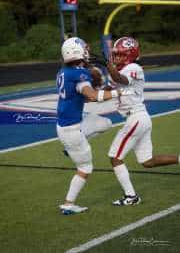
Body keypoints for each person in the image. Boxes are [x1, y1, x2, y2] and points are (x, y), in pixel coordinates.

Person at [106, 36, 180, 206]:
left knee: (114, 157)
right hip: (139, 118)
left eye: (120, 55)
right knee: (147, 161)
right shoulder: (119, 70)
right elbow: (106, 90)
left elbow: (121, 80)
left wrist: (109, 69)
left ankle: (131, 196)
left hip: (136, 118)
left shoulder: (134, 67)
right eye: (115, 55)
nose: (117, 58)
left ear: (130, 55)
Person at [56, 37, 121, 215]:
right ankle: (69, 204)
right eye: (84, 48)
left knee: (105, 122)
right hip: (72, 129)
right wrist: (117, 92)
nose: (87, 50)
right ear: (75, 52)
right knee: (85, 168)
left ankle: (71, 149)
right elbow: (91, 96)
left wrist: (104, 92)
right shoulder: (79, 74)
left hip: (68, 124)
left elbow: (82, 96)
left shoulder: (64, 72)